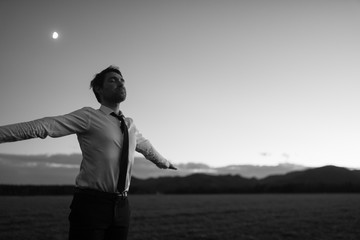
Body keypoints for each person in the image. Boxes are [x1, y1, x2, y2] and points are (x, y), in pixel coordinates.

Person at [0, 65, 177, 240]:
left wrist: (165, 163)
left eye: (122, 80)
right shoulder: (89, 117)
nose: (121, 84)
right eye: (113, 80)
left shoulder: (129, 124)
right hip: (91, 205)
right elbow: (46, 126)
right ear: (98, 89)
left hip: (122, 206)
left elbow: (147, 147)